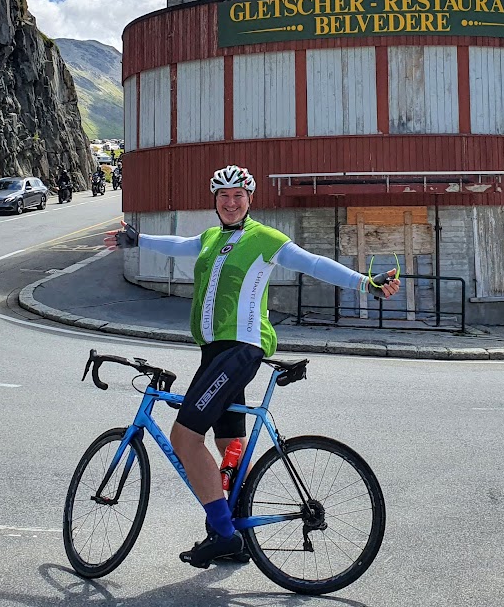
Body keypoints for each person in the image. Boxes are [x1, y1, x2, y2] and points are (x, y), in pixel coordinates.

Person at [104, 164, 400, 569]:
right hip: (214, 353)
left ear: (250, 199)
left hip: (241, 350)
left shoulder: (265, 238)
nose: (230, 202)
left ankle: (224, 535)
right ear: (215, 201)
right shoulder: (211, 237)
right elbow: (180, 245)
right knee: (229, 446)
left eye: (238, 195)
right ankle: (235, 530)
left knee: (185, 438)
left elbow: (313, 263)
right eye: (223, 196)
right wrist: (138, 240)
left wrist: (366, 282)